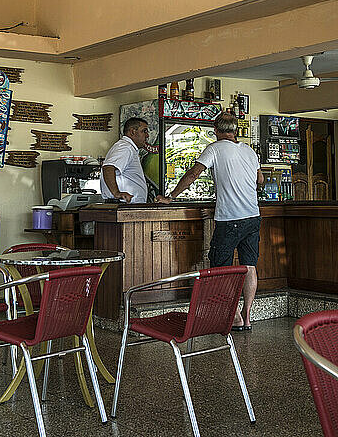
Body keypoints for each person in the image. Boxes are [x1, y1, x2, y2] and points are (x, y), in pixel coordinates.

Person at [156, 113, 264, 330]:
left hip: (229, 219)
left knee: (221, 268)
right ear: (236, 130)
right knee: (249, 266)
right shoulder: (249, 150)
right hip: (253, 216)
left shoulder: (214, 149)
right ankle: (248, 316)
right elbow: (259, 180)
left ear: (215, 129)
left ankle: (234, 317)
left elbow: (193, 174)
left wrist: (171, 197)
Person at [100, 117, 149, 204]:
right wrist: (116, 193)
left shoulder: (127, 147)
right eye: (144, 131)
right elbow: (108, 168)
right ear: (132, 132)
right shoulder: (125, 148)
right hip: (124, 205)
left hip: (128, 205)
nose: (147, 135)